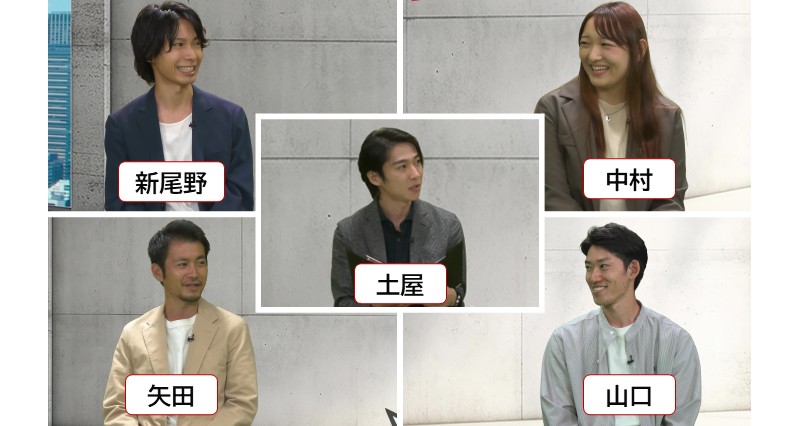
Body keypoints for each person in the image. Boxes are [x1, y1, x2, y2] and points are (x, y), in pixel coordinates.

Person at [540, 223, 701, 425]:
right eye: (589, 267)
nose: (593, 277)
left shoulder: (676, 341)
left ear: (632, 269)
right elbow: (558, 417)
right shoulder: (564, 341)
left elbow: (681, 417)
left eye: (603, 266)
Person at [103, 220, 258, 425]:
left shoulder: (232, 329)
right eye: (182, 264)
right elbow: (117, 407)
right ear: (158, 272)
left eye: (201, 262)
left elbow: (242, 404)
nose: (194, 273)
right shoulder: (133, 333)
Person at [536, 2, 687, 211]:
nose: (592, 55)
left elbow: (669, 202)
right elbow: (553, 199)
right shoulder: (553, 110)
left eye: (606, 44)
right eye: (585, 43)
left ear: (639, 50)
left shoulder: (667, 117)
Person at [104, 1, 254, 211]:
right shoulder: (122, 126)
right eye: (178, 45)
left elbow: (241, 197)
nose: (192, 55)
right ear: (149, 53)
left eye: (196, 44)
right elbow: (118, 204)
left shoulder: (231, 118)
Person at [331, 127, 467, 307]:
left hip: (428, 324)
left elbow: (459, 295)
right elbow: (343, 301)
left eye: (417, 162)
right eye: (402, 167)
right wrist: (374, 306)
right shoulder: (348, 232)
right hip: (376, 325)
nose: (416, 174)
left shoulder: (447, 224)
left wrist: (448, 298)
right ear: (375, 177)